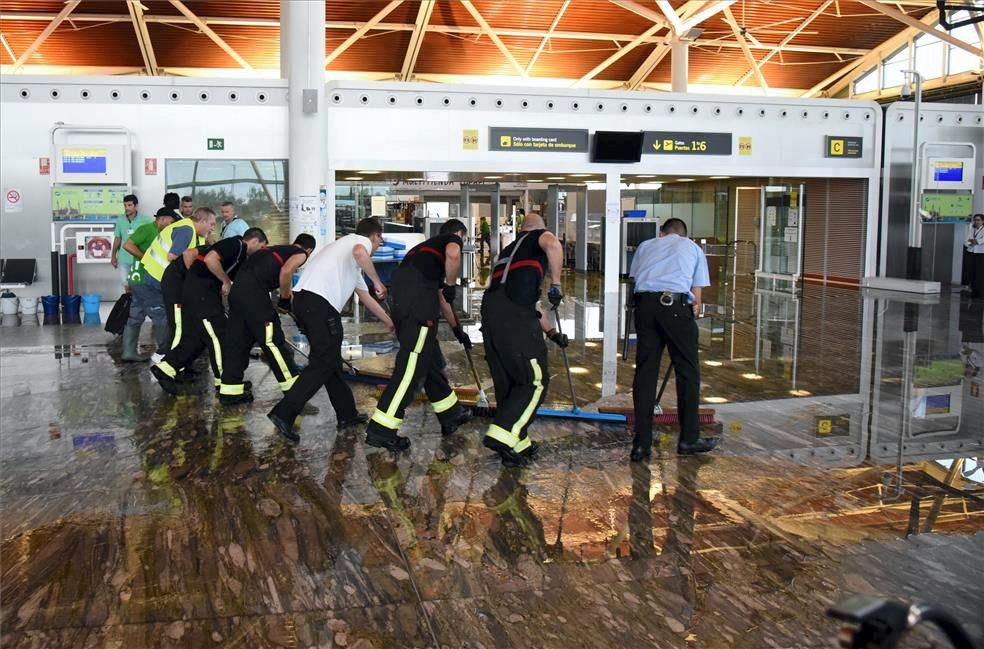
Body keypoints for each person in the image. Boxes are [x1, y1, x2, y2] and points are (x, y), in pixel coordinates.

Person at [268, 218, 395, 443]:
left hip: (305, 303)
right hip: (320, 305)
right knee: (323, 363)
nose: (376, 247)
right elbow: (360, 252)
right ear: (375, 237)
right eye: (379, 243)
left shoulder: (343, 253)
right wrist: (378, 281)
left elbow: (364, 296)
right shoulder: (359, 242)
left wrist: (388, 321)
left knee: (331, 362)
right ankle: (283, 413)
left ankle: (347, 414)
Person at [364, 219, 472, 451]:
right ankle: (381, 429)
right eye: (463, 238)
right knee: (410, 370)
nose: (461, 243)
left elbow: (442, 297)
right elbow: (453, 255)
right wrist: (452, 283)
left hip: (403, 309)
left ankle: (451, 415)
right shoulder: (450, 240)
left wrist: (457, 329)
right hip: (419, 311)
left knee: (430, 362)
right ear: (458, 233)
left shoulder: (422, 252)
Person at [480, 211, 567, 466]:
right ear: (539, 229)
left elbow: (530, 304)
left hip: (492, 320)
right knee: (535, 381)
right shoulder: (540, 237)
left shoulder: (505, 255)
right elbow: (553, 244)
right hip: (515, 320)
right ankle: (503, 434)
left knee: (509, 382)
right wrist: (557, 283)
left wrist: (551, 332)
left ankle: (519, 445)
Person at [628, 217, 716, 462]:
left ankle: (641, 445)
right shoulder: (693, 248)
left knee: (645, 374)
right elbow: (696, 296)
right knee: (687, 373)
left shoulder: (646, 245)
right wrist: (692, 310)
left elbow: (635, 279)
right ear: (685, 234)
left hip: (644, 308)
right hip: (675, 307)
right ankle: (688, 438)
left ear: (661, 232)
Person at [151, 227, 269, 395]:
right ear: (255, 240)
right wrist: (225, 281)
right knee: (217, 336)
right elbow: (211, 260)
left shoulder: (239, 257)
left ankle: (165, 369)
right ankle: (225, 383)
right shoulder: (237, 244)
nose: (261, 252)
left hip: (202, 293)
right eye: (262, 247)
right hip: (202, 294)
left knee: (195, 340)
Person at [218, 233, 316, 405]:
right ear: (309, 250)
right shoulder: (300, 254)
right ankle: (294, 393)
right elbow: (286, 272)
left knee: (237, 343)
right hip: (254, 297)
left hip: (237, 295)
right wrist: (285, 300)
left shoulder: (272, 250)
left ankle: (230, 392)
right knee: (272, 341)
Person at [139, 207, 217, 363]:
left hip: (163, 278)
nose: (212, 228)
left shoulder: (196, 235)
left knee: (177, 319)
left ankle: (170, 355)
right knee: (175, 320)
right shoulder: (186, 230)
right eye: (211, 224)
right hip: (157, 277)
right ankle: (163, 355)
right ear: (202, 221)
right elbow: (173, 256)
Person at [119, 208, 178, 361]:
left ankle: (129, 352)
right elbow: (128, 245)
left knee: (136, 314)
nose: (171, 226)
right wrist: (146, 257)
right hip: (145, 279)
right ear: (163, 219)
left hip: (138, 279)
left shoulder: (163, 233)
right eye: (171, 223)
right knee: (160, 314)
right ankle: (164, 355)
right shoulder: (147, 229)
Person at [111, 194, 153, 291]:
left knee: (139, 286)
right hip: (124, 259)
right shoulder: (120, 220)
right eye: (125, 205)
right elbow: (117, 239)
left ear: (136, 206)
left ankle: (138, 305)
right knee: (126, 285)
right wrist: (113, 256)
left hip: (139, 259)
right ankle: (129, 305)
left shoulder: (146, 220)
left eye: (129, 205)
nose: (127, 208)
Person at [966, 214, 984, 299]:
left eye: (978, 220)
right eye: (975, 220)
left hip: (981, 253)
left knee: (979, 273)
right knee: (972, 272)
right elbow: (969, 239)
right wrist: (971, 241)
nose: (976, 222)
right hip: (972, 251)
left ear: (982, 221)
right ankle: (973, 291)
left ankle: (980, 292)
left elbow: (981, 240)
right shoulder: (972, 228)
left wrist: (976, 241)